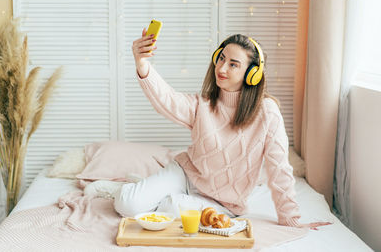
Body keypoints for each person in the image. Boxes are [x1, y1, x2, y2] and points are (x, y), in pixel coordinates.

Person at [90, 29, 330, 230]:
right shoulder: (203, 105)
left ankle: (148, 188)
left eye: (233, 64)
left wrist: (291, 220)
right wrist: (142, 63)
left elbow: (280, 169)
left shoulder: (267, 112)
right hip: (184, 174)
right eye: (222, 58)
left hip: (223, 202)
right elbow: (166, 99)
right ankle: (136, 188)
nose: (222, 68)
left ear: (252, 74)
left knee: (170, 208)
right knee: (127, 205)